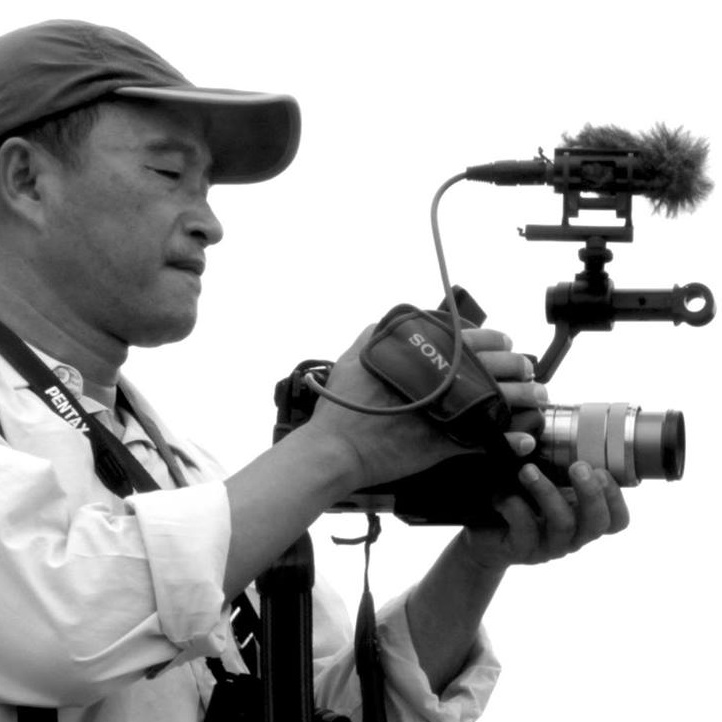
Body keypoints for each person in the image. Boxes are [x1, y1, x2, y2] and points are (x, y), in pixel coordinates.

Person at [0, 18, 630, 722]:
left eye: (208, 187)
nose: (210, 223)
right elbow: (61, 625)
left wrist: (479, 558)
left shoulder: (184, 469)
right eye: (169, 173)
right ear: (26, 180)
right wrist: (336, 448)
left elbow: (325, 705)